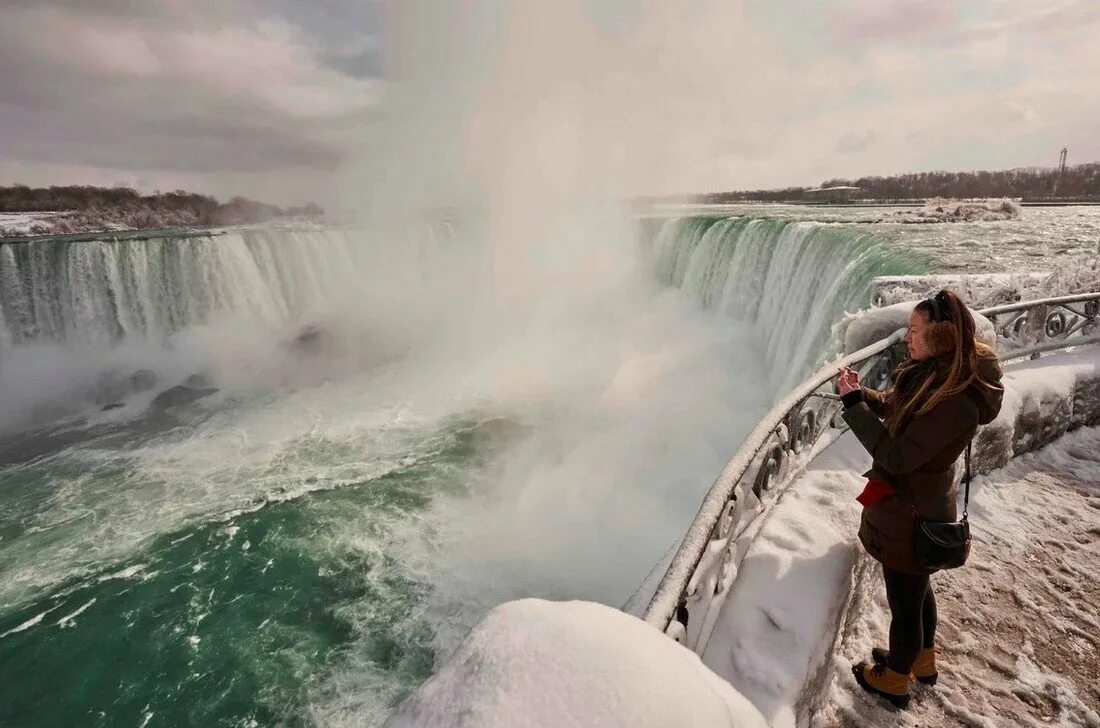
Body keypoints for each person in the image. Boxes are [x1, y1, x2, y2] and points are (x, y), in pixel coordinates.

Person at [836, 289, 1004, 708]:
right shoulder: (939, 375)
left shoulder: (955, 402)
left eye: (914, 330)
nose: (906, 337)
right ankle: (921, 661)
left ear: (942, 337)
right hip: (918, 505)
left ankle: (894, 679)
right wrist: (862, 398)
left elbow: (896, 456)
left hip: (913, 515)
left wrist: (853, 411)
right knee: (919, 591)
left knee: (905, 603)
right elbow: (901, 411)